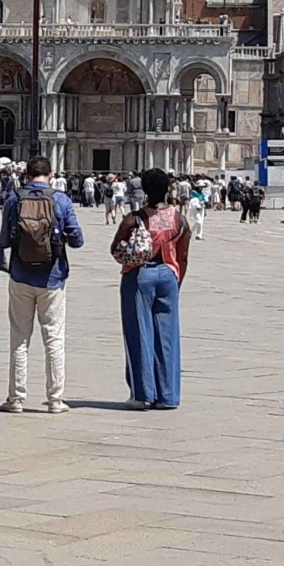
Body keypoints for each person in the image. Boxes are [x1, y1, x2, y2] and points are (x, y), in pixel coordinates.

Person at [0, 156, 83, 414]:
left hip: (20, 275)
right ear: (51, 174)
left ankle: (16, 399)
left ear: (26, 174)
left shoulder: (14, 199)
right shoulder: (61, 200)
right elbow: (78, 240)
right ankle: (55, 400)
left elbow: (4, 240)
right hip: (52, 278)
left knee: (19, 339)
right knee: (54, 338)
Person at [112, 168, 189, 410]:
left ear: (144, 189)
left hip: (139, 275)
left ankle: (142, 394)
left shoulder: (134, 218)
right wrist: (176, 281)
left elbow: (115, 248)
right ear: (168, 189)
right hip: (169, 275)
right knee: (167, 336)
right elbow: (183, 256)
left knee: (139, 333)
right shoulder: (180, 219)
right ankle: (168, 395)